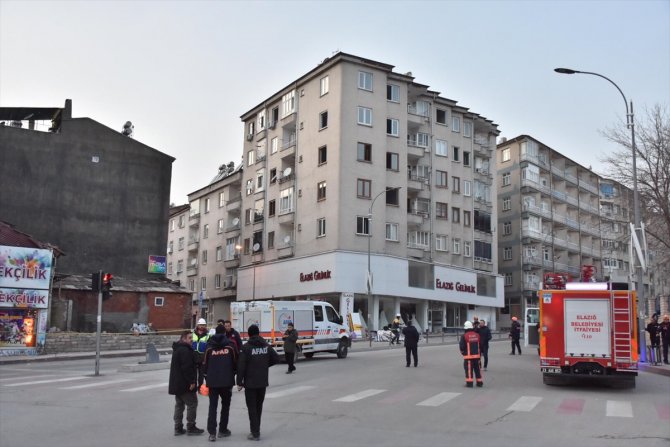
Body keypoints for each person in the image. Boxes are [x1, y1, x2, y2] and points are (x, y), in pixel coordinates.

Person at [236, 324, 280, 441]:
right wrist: (264, 365)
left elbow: (241, 366)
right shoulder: (266, 346)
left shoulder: (246, 348)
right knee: (258, 407)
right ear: (258, 333)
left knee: (252, 408)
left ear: (249, 334)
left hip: (250, 383)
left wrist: (239, 382)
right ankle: (257, 430)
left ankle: (255, 433)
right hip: (262, 382)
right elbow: (276, 358)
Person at [203, 325, 237, 442]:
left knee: (212, 407)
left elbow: (204, 365)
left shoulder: (209, 347)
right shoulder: (230, 346)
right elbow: (235, 362)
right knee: (225, 406)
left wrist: (206, 377)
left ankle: (212, 433)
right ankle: (223, 430)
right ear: (224, 333)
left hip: (212, 382)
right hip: (227, 381)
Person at [169, 330, 204, 436]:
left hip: (177, 384)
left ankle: (178, 427)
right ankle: (191, 426)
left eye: (192, 338)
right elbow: (187, 368)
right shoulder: (185, 350)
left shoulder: (178, 349)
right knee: (192, 403)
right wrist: (192, 381)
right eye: (189, 338)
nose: (192, 340)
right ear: (183, 338)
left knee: (179, 405)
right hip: (185, 384)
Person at [459, 321, 483, 387]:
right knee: (478, 370)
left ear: (465, 328)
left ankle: (469, 383)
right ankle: (479, 382)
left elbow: (462, 346)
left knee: (469, 370)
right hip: (477, 357)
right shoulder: (477, 335)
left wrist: (463, 353)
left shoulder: (464, 336)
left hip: (468, 357)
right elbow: (481, 345)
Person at [192, 318, 211, 390]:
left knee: (201, 375)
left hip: (202, 358)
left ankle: (200, 387)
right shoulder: (192, 334)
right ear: (197, 325)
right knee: (193, 374)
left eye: (203, 325)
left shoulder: (208, 336)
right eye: (200, 325)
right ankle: (193, 387)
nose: (202, 326)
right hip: (193, 357)